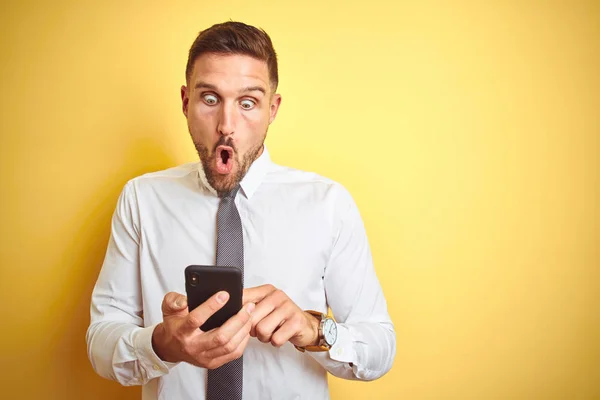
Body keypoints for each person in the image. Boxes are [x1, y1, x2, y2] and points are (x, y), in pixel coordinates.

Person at [86, 21, 396, 400]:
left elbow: (380, 345)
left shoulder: (328, 204)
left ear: (273, 108)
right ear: (186, 102)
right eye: (210, 99)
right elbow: (101, 341)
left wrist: (313, 330)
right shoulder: (141, 199)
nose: (226, 126)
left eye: (247, 102)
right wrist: (161, 344)